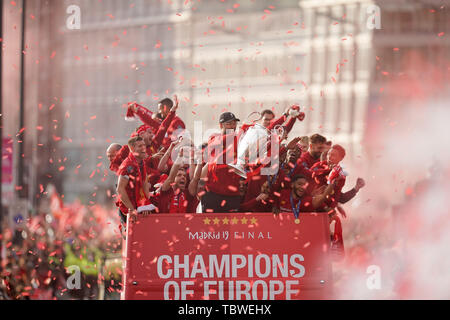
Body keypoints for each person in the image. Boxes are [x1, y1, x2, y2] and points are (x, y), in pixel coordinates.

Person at [116, 137, 156, 226]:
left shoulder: (141, 162)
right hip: (128, 209)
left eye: (144, 145)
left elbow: (145, 184)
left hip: (138, 207)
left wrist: (145, 205)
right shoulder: (127, 166)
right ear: (133, 149)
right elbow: (120, 189)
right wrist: (132, 210)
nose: (143, 148)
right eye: (140, 146)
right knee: (131, 238)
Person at [156, 149, 201, 214]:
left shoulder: (188, 194)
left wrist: (199, 161)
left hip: (186, 223)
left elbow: (195, 178)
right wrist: (179, 156)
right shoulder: (166, 191)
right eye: (179, 175)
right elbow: (171, 178)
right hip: (166, 223)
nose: (183, 177)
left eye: (185, 176)